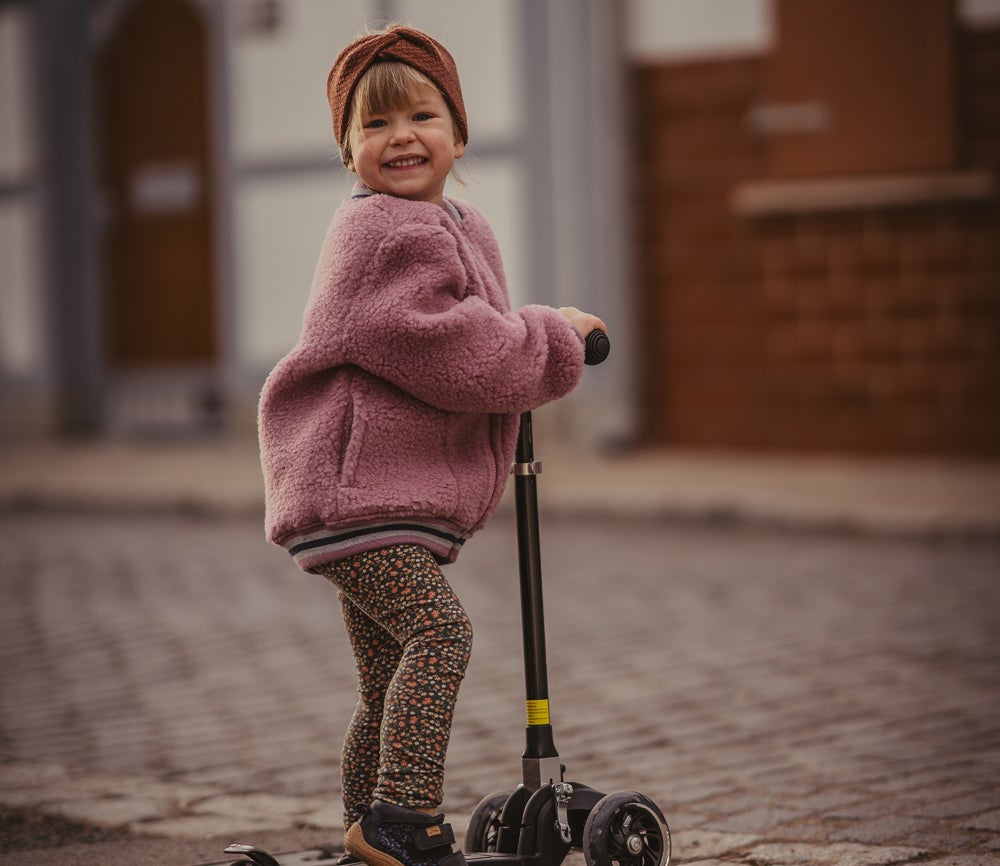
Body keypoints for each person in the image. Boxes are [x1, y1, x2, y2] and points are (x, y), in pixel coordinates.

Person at [258, 23, 605, 866]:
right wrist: (554, 340)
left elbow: (474, 335)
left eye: (420, 115)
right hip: (355, 493)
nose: (401, 137)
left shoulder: (448, 222)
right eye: (375, 126)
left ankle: (361, 832)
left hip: (367, 493)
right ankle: (401, 821)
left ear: (458, 132)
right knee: (439, 637)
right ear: (348, 153)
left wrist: (524, 335)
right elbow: (455, 350)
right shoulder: (383, 232)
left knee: (385, 679)